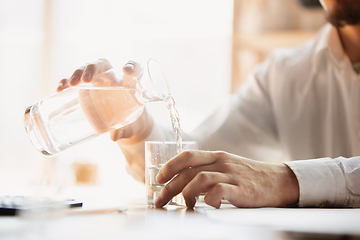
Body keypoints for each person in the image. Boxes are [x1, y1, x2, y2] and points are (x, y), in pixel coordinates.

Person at [58, 0, 360, 209]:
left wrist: (286, 181)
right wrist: (138, 128)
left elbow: (267, 180)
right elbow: (199, 162)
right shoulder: (286, 74)